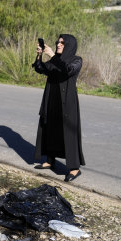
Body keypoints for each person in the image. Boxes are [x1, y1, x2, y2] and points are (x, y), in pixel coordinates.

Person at [32, 34, 85, 182]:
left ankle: (74, 168)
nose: (59, 44)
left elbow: (68, 70)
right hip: (51, 100)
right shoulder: (55, 60)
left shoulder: (76, 60)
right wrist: (39, 56)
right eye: (58, 42)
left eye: (62, 42)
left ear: (69, 45)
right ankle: (50, 160)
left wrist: (53, 55)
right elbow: (40, 69)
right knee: (51, 129)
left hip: (67, 103)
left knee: (68, 133)